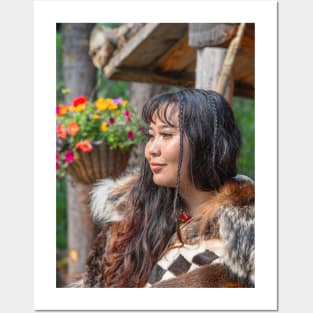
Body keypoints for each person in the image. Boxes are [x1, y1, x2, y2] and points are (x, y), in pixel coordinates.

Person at [75, 88, 254, 288]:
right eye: (151, 135)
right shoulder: (133, 216)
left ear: (207, 143)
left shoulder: (248, 236)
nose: (152, 149)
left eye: (166, 134)